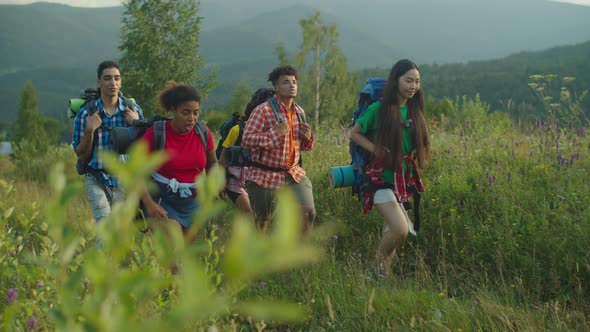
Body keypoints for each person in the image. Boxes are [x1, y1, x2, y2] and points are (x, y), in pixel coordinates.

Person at [350, 59, 431, 277]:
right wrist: (375, 149)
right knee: (400, 229)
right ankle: (376, 267)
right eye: (408, 81)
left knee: (390, 229)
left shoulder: (415, 112)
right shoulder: (379, 109)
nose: (413, 86)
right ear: (395, 81)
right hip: (378, 178)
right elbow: (354, 133)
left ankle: (381, 276)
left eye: (417, 81)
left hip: (402, 180)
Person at [72, 60, 143, 245]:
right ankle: (99, 273)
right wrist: (90, 130)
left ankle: (117, 271)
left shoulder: (133, 111)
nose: (113, 83)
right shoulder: (86, 114)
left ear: (121, 82)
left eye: (117, 78)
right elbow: (80, 153)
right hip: (96, 177)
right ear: (99, 82)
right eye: (107, 78)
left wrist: (136, 123)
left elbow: (145, 147)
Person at [139, 81, 217, 241]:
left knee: (184, 256)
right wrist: (149, 203)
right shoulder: (156, 134)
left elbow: (212, 163)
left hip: (193, 203)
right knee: (173, 250)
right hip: (163, 202)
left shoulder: (203, 133)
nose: (192, 118)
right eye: (186, 112)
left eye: (196, 113)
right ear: (173, 110)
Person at [241, 65, 315, 232]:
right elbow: (246, 141)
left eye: (294, 82)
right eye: (286, 82)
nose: (292, 85)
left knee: (308, 213)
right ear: (275, 87)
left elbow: (304, 146)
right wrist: (275, 133)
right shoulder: (263, 111)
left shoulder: (299, 112)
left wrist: (308, 138)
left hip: (292, 174)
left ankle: (300, 255)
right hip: (264, 176)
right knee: (262, 223)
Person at [218, 111, 252, 215]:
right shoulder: (236, 130)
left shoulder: (269, 131)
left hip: (254, 181)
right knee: (248, 211)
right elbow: (223, 156)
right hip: (235, 181)